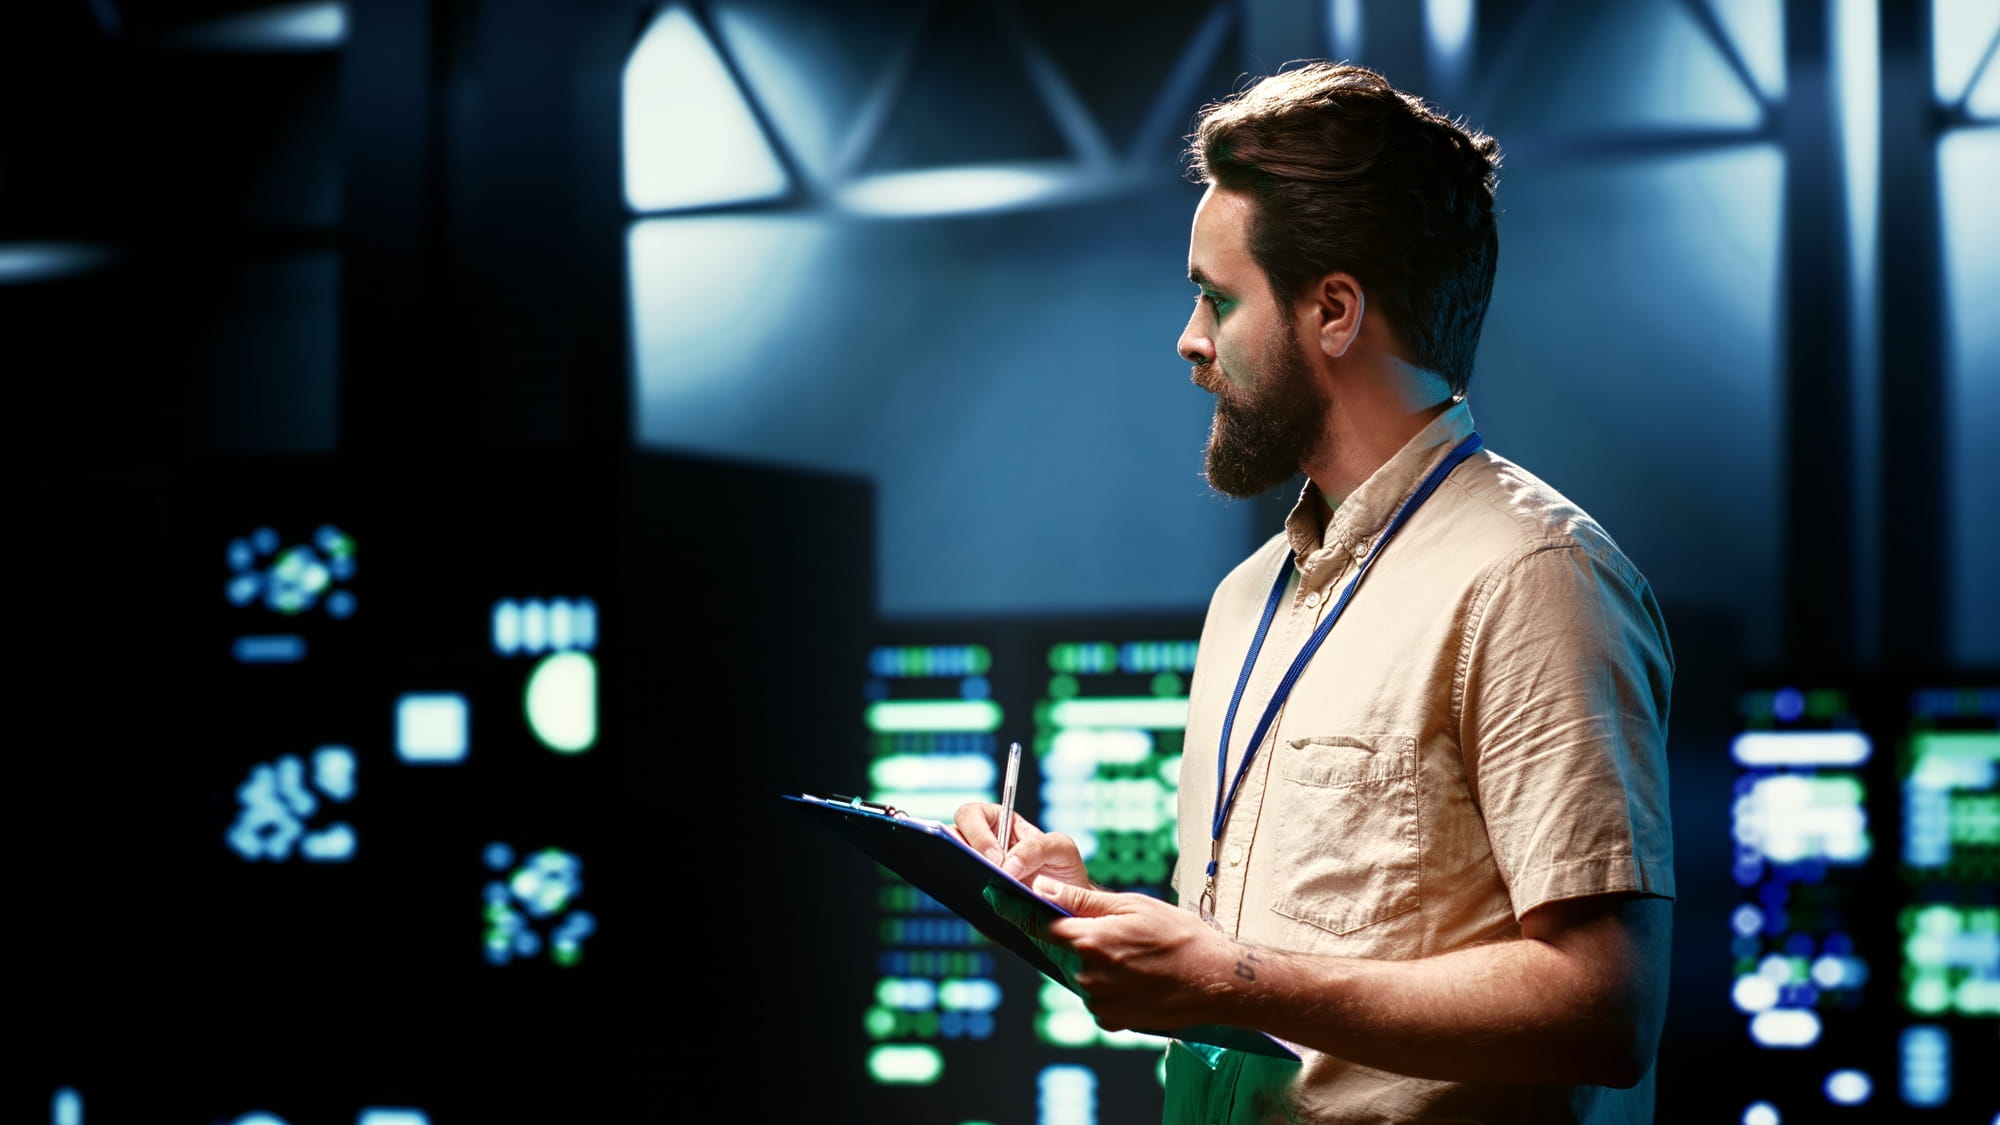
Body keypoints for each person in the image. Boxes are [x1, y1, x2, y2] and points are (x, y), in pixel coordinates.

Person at [955, 62, 1674, 1123]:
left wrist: (1233, 981)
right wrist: (1089, 911)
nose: (1190, 340)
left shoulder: (1534, 578)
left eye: (1216, 298)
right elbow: (1260, 962)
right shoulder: (1246, 597)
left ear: (1333, 310)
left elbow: (1601, 1009)